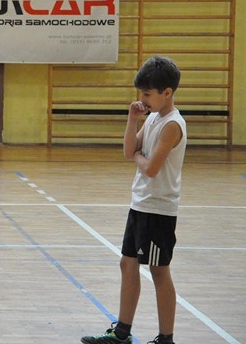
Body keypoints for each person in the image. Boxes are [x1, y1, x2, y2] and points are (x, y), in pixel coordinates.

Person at [82, 55, 187, 344]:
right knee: (127, 264)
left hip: (158, 210)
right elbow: (129, 151)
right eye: (141, 93)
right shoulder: (152, 118)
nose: (142, 99)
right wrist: (132, 119)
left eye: (147, 94)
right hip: (140, 204)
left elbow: (150, 168)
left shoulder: (172, 125)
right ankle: (122, 332)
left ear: (167, 92)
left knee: (159, 271)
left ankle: (166, 338)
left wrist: (140, 157)